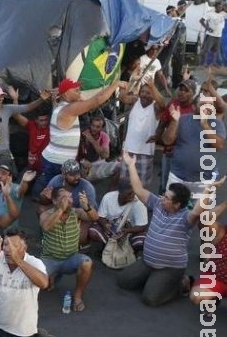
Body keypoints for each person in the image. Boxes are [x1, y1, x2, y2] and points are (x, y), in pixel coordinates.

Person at [117, 152, 202, 306]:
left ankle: (182, 284)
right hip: (148, 261)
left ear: (177, 205)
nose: (163, 198)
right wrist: (131, 165)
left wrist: (208, 192)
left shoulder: (186, 218)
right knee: (124, 282)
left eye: (167, 198)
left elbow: (197, 211)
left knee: (150, 299)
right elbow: (138, 189)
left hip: (170, 268)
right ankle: (154, 280)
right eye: (164, 195)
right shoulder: (158, 203)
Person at [39, 78, 122, 190]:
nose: (80, 92)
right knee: (60, 197)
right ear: (67, 93)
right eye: (76, 90)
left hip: (55, 160)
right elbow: (96, 100)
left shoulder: (62, 106)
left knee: (57, 196)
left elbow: (89, 101)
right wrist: (115, 84)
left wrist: (75, 95)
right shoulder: (68, 109)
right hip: (58, 163)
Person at [39, 187, 95, 312]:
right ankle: (53, 275)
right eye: (64, 198)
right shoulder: (46, 214)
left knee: (87, 263)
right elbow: (47, 226)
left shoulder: (76, 213)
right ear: (54, 201)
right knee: (38, 282)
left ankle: (78, 297)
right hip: (50, 259)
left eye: (70, 197)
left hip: (70, 259)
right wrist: (60, 209)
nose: (69, 200)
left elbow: (94, 217)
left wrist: (87, 207)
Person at [162, 96, 226, 195]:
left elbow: (219, 146)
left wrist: (205, 124)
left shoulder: (217, 123)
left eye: (210, 105)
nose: (207, 107)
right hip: (178, 176)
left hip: (204, 180)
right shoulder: (182, 119)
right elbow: (167, 141)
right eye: (203, 104)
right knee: (171, 208)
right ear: (193, 107)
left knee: (200, 210)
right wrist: (174, 121)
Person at [118, 79, 166, 186]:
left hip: (145, 153)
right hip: (128, 150)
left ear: (153, 95)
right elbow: (122, 98)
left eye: (148, 93)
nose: (144, 95)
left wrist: (152, 86)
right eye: (142, 92)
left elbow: (163, 104)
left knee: (141, 186)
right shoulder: (136, 101)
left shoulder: (155, 107)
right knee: (125, 184)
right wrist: (126, 85)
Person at [86, 182, 149, 251]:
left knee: (141, 241)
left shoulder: (139, 204)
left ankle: (128, 251)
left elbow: (143, 226)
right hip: (111, 231)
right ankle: (110, 247)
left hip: (129, 233)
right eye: (129, 194)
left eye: (134, 192)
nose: (132, 195)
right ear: (120, 192)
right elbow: (100, 216)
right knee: (93, 231)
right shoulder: (108, 197)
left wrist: (127, 231)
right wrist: (105, 225)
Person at [199, 1, 227, 66]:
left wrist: (225, 9)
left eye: (221, 7)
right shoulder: (210, 14)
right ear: (215, 7)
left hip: (219, 35)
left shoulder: (223, 14)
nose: (220, 8)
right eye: (219, 7)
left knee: (215, 50)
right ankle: (205, 63)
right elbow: (201, 20)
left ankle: (214, 62)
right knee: (207, 50)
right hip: (211, 35)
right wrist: (208, 28)